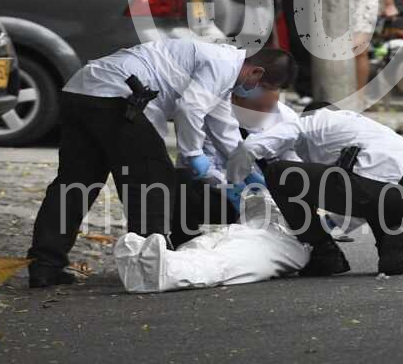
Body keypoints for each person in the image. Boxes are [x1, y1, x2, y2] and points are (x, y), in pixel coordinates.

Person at [25, 41, 295, 287]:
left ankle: (45, 265)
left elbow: (225, 134)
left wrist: (250, 174)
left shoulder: (222, 76)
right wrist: (192, 155)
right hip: (117, 94)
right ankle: (148, 266)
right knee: (152, 179)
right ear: (256, 74)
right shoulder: (223, 64)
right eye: (269, 89)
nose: (260, 95)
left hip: (83, 90)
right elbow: (190, 108)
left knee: (77, 181)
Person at [227, 101, 403, 277]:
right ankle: (398, 237)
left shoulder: (309, 122)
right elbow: (348, 205)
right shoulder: (370, 128)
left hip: (376, 186)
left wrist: (234, 185)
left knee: (279, 172)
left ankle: (325, 254)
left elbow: (251, 146)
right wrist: (330, 224)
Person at [115, 88, 310, 293]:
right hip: (228, 196)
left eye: (269, 108)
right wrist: (230, 185)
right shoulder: (213, 115)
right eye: (258, 108)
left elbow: (294, 172)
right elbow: (196, 162)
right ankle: (176, 252)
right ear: (236, 99)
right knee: (215, 237)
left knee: (237, 251)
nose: (264, 114)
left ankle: (172, 268)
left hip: (272, 210)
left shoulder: (285, 122)